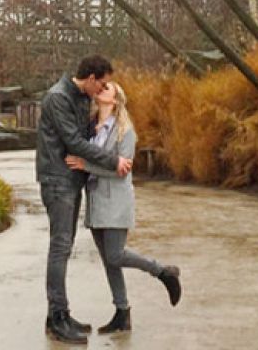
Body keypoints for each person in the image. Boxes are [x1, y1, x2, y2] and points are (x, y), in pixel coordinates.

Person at [67, 81, 182, 334]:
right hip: (96, 202)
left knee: (116, 255)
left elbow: (122, 170)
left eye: (107, 88)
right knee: (110, 263)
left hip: (116, 202)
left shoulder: (125, 131)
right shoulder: (91, 129)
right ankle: (122, 313)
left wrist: (85, 166)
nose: (101, 89)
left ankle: (163, 272)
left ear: (117, 99)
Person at [35, 55, 132, 344]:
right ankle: (57, 318)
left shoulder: (78, 97)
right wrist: (114, 161)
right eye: (100, 83)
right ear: (90, 77)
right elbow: (75, 143)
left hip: (70, 181)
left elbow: (87, 136)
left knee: (64, 246)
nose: (101, 88)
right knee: (60, 247)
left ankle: (60, 313)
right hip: (57, 181)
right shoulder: (58, 98)